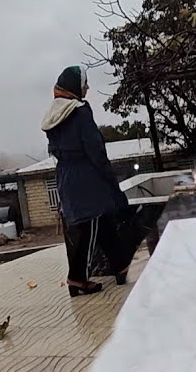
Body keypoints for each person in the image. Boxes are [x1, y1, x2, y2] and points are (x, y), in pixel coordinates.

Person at [42, 65, 134, 296]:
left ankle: (121, 266)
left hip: (66, 175)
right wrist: (109, 177)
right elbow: (94, 148)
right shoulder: (80, 112)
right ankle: (77, 280)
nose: (87, 88)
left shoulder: (54, 114)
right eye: (85, 85)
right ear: (76, 87)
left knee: (102, 223)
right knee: (88, 228)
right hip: (86, 176)